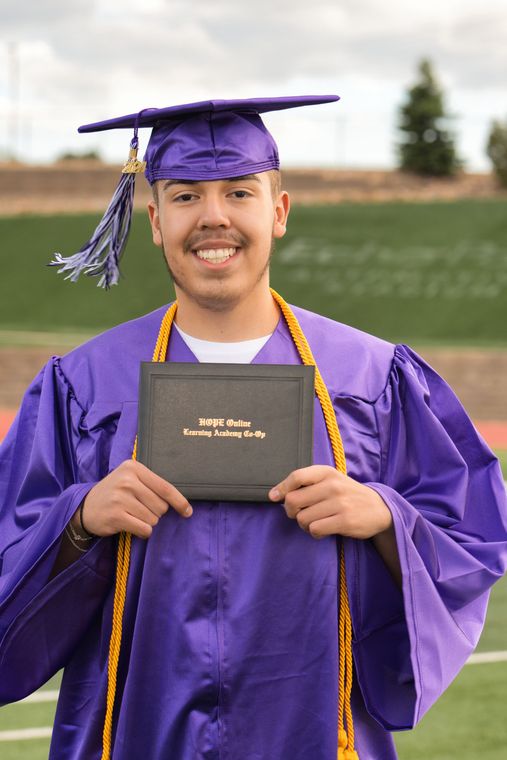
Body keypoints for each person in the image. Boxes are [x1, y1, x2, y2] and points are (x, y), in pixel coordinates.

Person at [0, 96, 506, 760]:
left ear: (278, 211)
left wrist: (385, 519)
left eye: (239, 192)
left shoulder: (372, 380)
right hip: (132, 740)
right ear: (155, 220)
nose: (213, 217)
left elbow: (471, 537)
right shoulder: (84, 387)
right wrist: (78, 520)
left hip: (314, 738)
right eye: (185, 197)